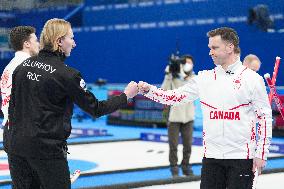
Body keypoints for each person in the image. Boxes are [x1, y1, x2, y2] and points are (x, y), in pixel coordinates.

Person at [4, 18, 138, 189]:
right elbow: (96, 108)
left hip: (16, 147)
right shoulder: (67, 75)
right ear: (59, 41)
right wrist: (126, 96)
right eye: (71, 38)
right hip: (46, 150)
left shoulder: (22, 68)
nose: (74, 44)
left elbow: (12, 109)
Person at [138, 27, 272, 189]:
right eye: (210, 48)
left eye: (214, 48)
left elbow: (264, 117)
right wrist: (148, 90)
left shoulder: (252, 79)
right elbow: (174, 97)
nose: (210, 52)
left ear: (230, 47)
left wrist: (261, 153)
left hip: (242, 158)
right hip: (211, 159)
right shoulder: (204, 78)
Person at [0, 26, 39, 148]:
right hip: (27, 133)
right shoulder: (30, 66)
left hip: (10, 132)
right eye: (36, 40)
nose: (38, 44)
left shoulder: (9, 67)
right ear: (27, 44)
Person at [161, 55, 195, 177]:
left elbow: (194, 88)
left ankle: (186, 167)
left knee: (188, 145)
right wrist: (168, 76)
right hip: (174, 118)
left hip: (188, 118)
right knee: (173, 145)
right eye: (186, 62)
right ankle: (174, 169)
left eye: (190, 63)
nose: (188, 64)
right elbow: (163, 91)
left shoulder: (194, 78)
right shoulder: (173, 78)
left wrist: (183, 75)